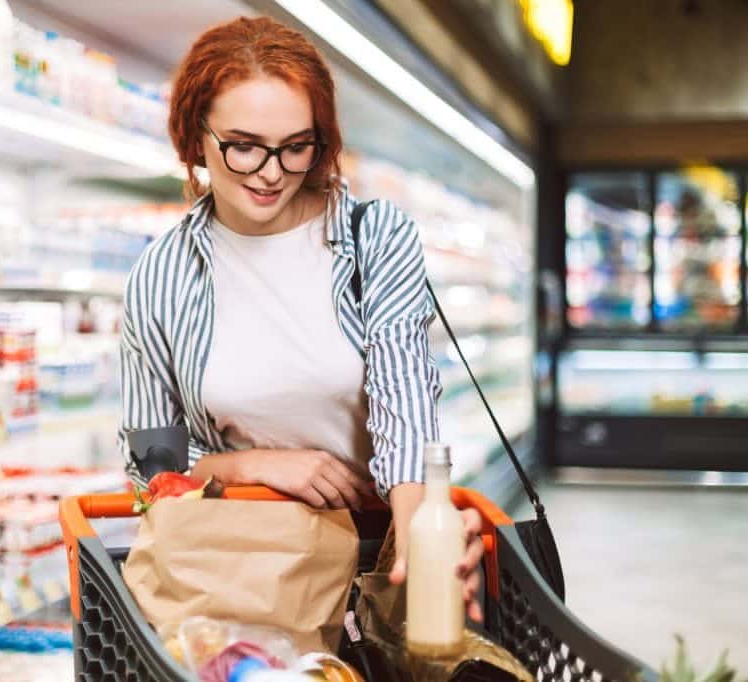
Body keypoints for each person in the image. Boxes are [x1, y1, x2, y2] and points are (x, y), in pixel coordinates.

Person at [120, 15, 485, 621]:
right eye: (243, 146)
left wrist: (421, 545)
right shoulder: (159, 276)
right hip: (233, 573)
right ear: (195, 137)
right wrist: (250, 465)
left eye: (296, 147)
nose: (270, 173)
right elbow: (150, 473)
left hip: (378, 553)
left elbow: (406, 402)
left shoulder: (375, 238)